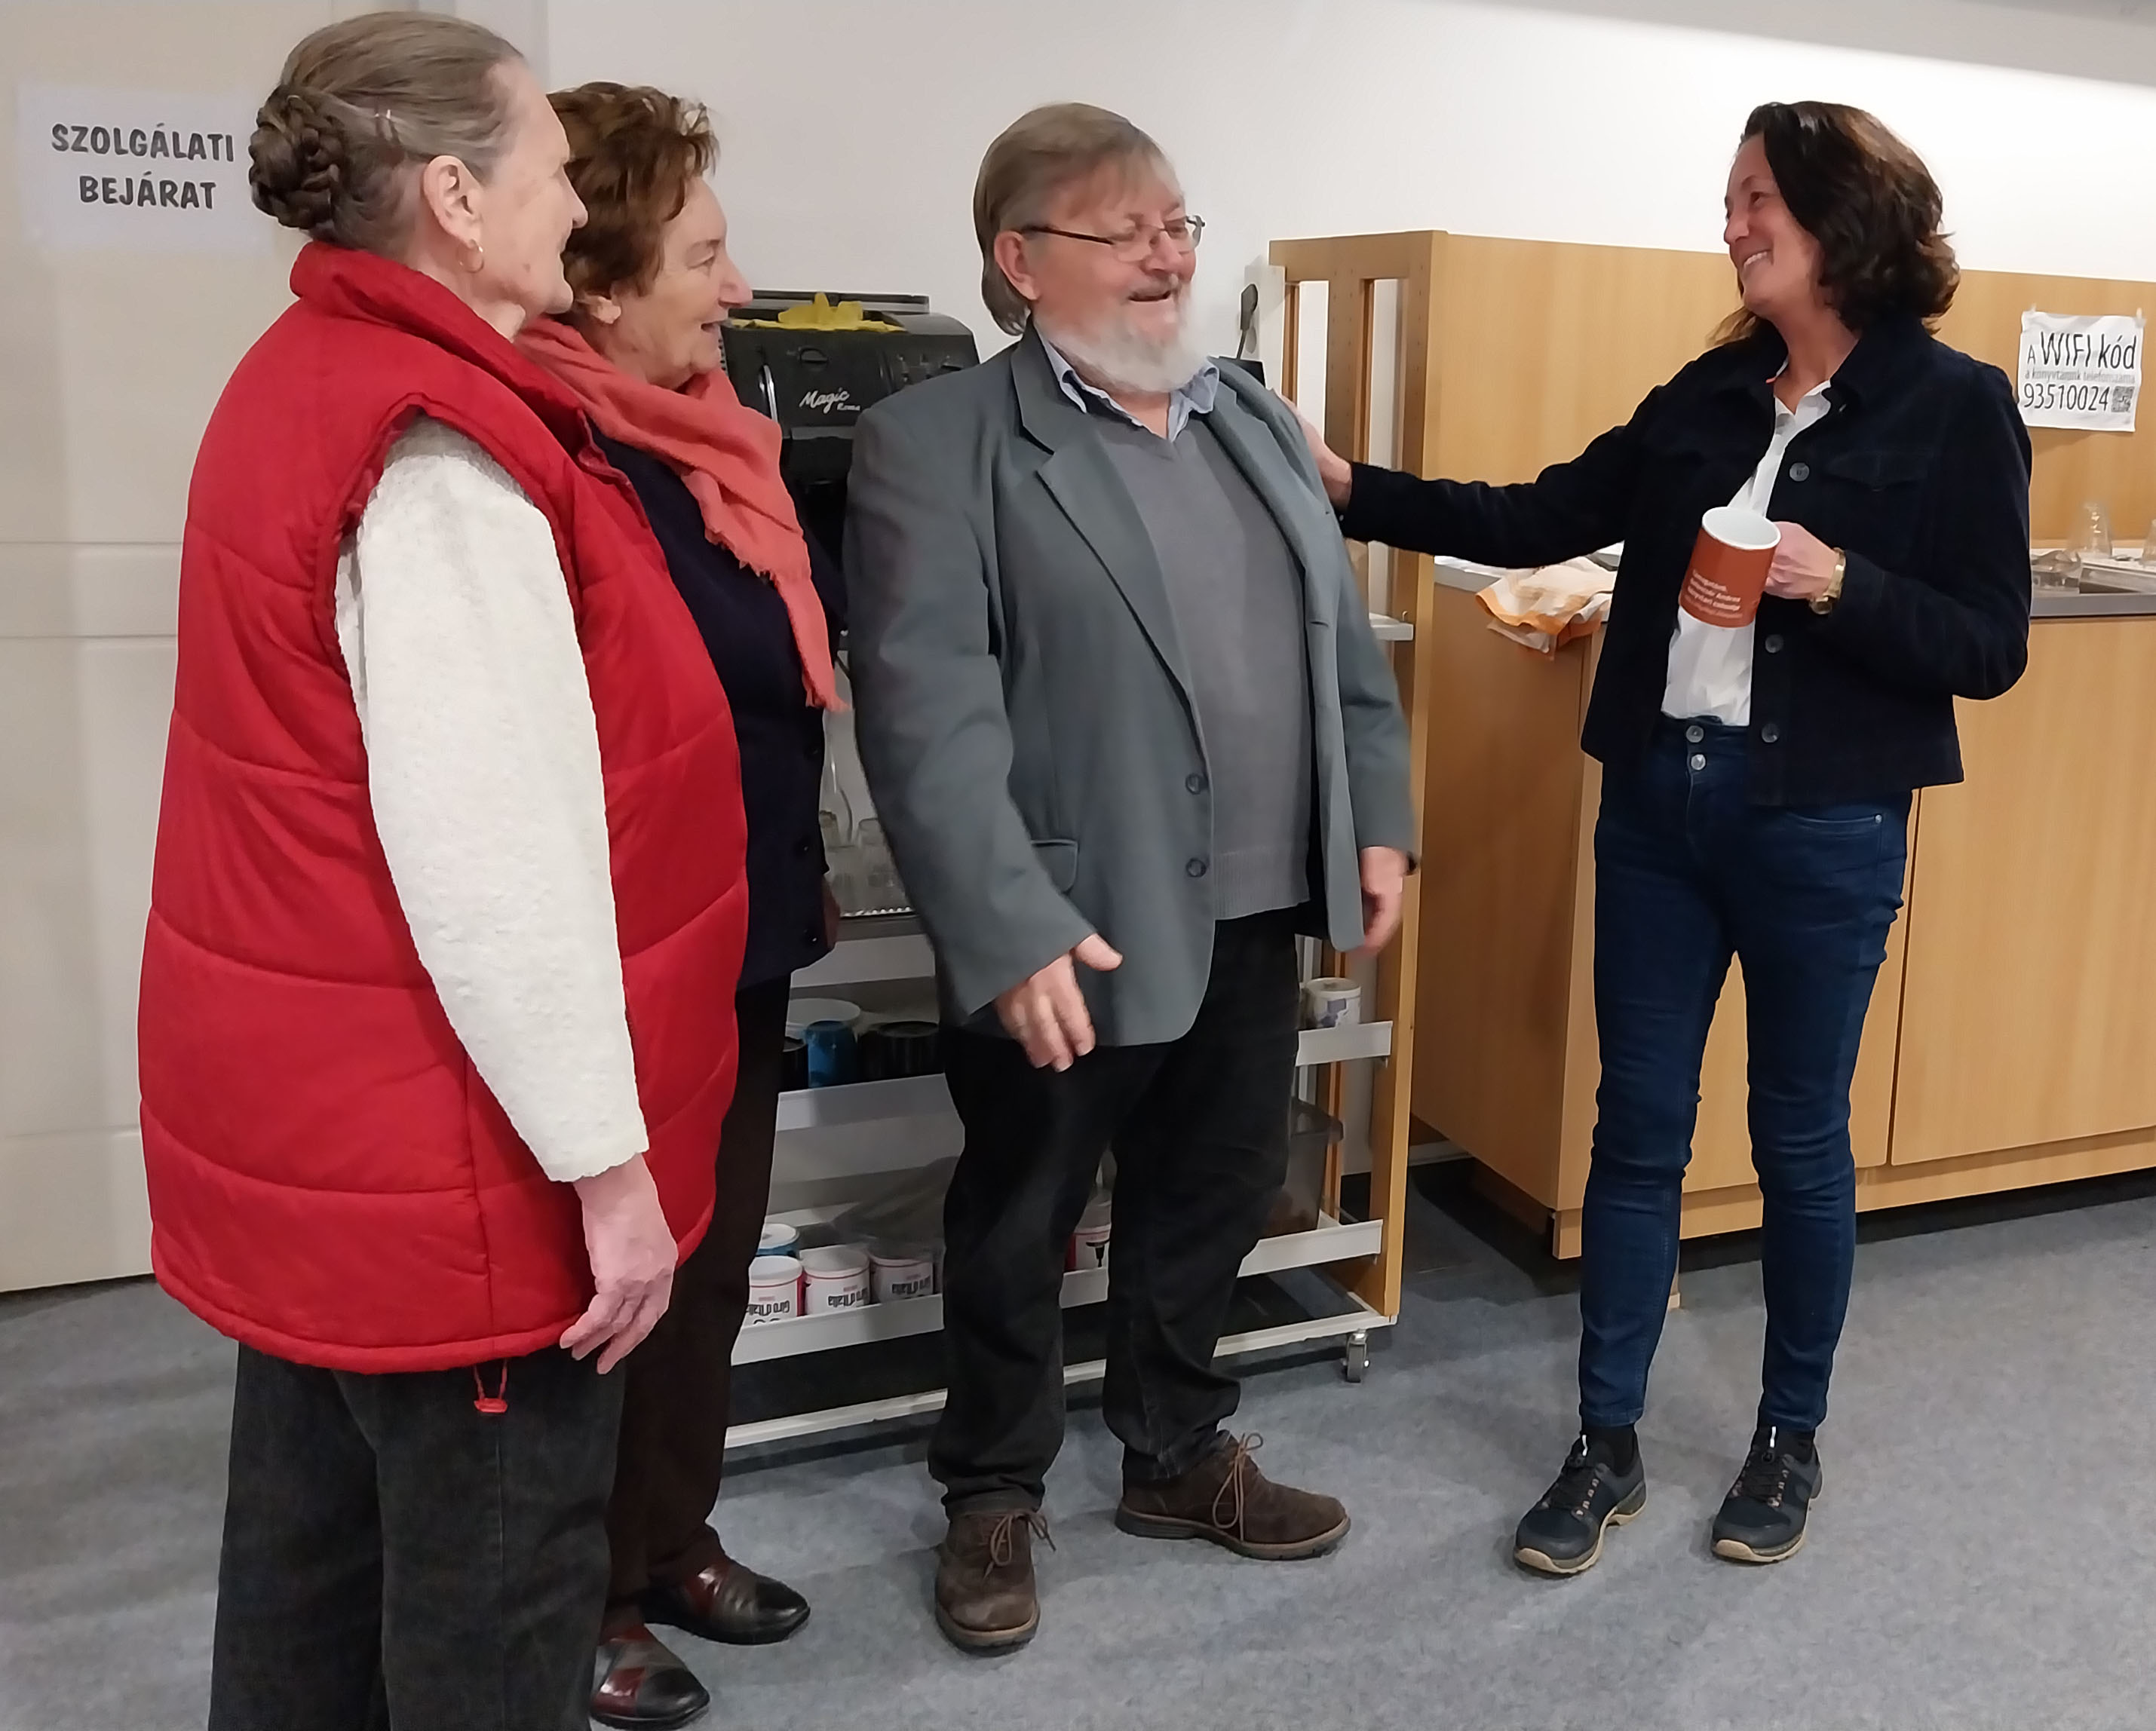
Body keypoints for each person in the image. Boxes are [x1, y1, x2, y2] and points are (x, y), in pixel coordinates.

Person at [1303, 101, 2031, 1573]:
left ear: (1844, 217)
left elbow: (1988, 643)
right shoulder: (1708, 393)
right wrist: (1351, 491)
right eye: (1732, 196)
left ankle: (1787, 1436)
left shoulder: (1954, 407)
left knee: (1796, 1138)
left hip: (1822, 822)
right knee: (1632, 1132)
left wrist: (1838, 582)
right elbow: (1539, 515)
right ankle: (1606, 1441)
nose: (1732, 222)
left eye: (1758, 197)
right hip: (1656, 802)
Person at [136, 16, 748, 1729]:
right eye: (551, 167)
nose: (578, 204)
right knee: (488, 1619)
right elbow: (494, 867)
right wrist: (609, 1179)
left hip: (331, 1145)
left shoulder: (306, 372)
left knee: (307, 1587)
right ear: (457, 199)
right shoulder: (440, 450)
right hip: (459, 1179)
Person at [845, 103, 1415, 1654]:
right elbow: (924, 708)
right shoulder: (939, 442)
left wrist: (1374, 813)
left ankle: (1173, 1450)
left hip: (1253, 901)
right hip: (1068, 925)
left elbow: (1336, 643)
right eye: (1125, 232)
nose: (1168, 258)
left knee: (1214, 1188)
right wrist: (1003, 921)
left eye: (1176, 225)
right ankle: (991, 1487)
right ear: (1021, 261)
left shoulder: (1247, 417)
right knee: (1019, 1216)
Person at [517, 82, 839, 1730]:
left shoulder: (714, 444)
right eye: (703, 257)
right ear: (598, 284)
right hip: (620, 952)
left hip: (742, 930)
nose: (737, 288)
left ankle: (667, 1542)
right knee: (608, 1293)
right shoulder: (554, 454)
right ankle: (577, 1599)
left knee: (705, 1269)